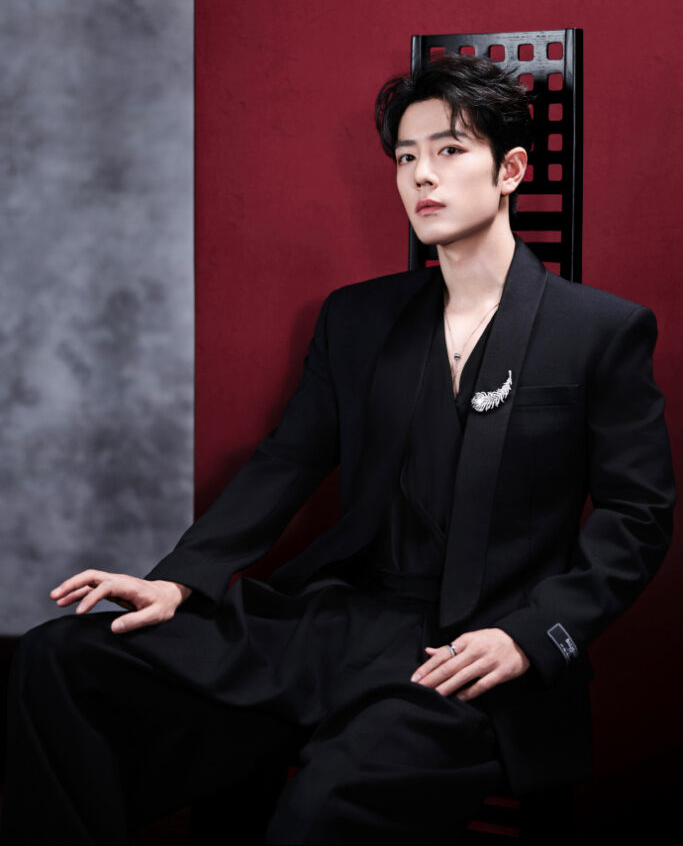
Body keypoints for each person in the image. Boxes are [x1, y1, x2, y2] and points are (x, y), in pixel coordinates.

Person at [1, 54, 675, 845]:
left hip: (472, 647)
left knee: (319, 814)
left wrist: (533, 636)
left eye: (449, 150)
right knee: (56, 658)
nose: (422, 175)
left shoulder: (598, 331)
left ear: (510, 171)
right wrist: (180, 580)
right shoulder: (356, 319)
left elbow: (637, 515)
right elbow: (286, 461)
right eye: (405, 156)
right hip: (337, 621)